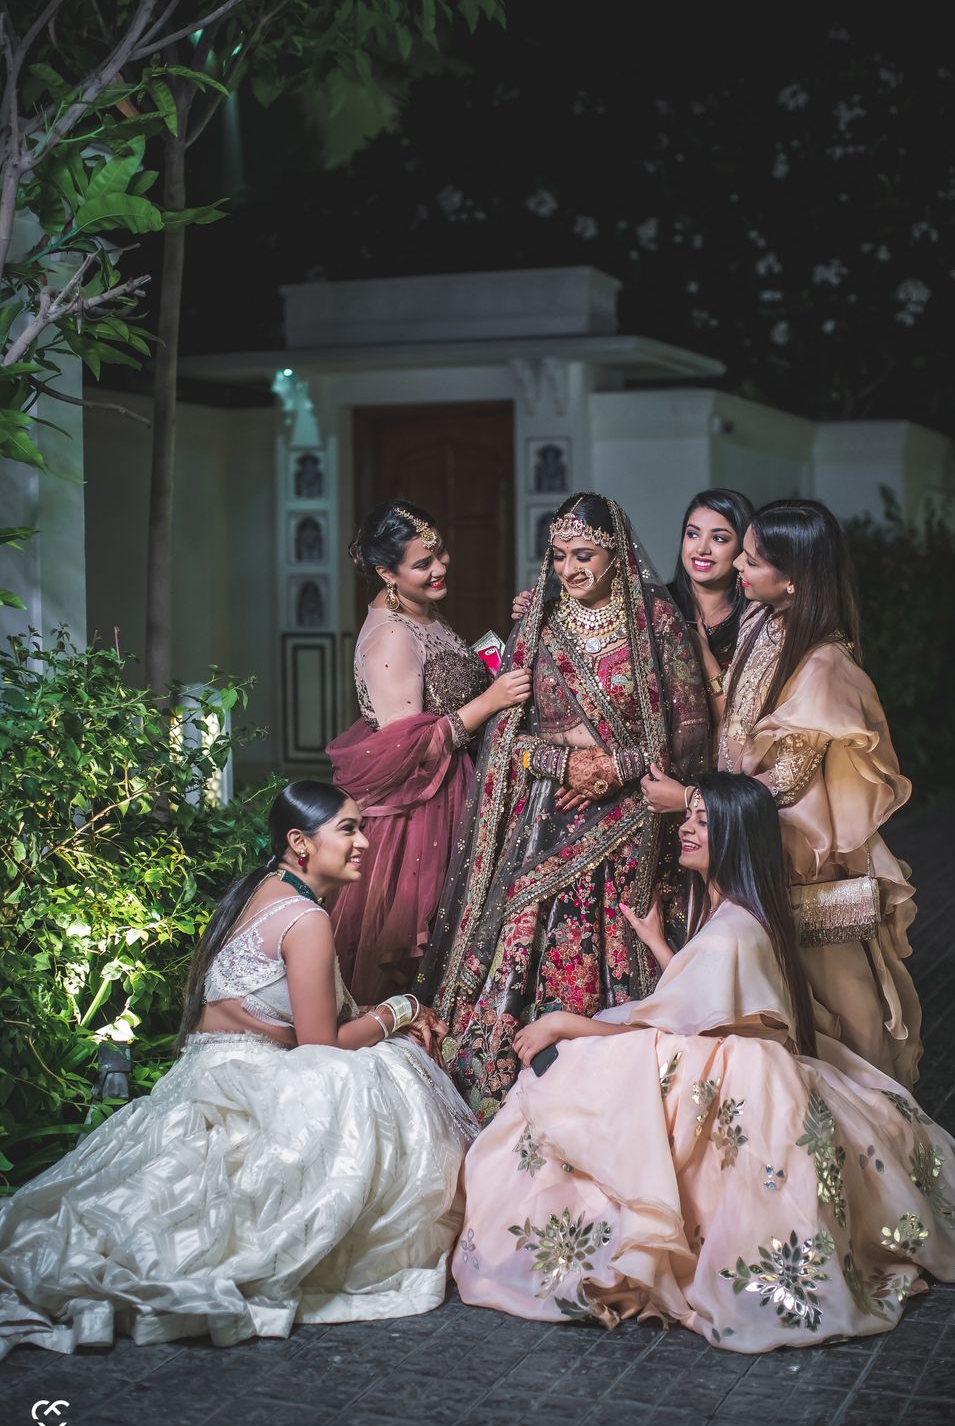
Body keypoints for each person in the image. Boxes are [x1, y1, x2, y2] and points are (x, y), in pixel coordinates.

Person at [453, 774, 955, 1352]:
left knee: (583, 1070)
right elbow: (701, 999)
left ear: (735, 835)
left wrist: (563, 1023)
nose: (686, 827)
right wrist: (660, 947)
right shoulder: (743, 913)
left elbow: (665, 1025)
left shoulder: (731, 929)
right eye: (690, 816)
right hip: (747, 1061)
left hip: (733, 1074)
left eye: (704, 821)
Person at [0, 782, 477, 1359]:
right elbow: (322, 1045)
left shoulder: (262, 892)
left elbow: (281, 1026)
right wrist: (401, 1009)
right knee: (386, 1071)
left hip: (207, 1073)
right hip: (249, 1078)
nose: (365, 843)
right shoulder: (305, 918)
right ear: (300, 843)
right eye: (348, 829)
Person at [421, 492, 709, 1122]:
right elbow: (509, 738)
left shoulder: (654, 621)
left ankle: (622, 1100)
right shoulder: (538, 625)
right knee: (528, 913)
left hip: (638, 813)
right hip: (552, 812)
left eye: (584, 555)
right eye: (558, 557)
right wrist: (567, 763)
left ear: (616, 555)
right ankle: (518, 1102)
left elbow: (689, 730)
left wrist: (618, 768)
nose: (569, 569)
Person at [641, 499, 922, 1087]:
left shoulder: (824, 662)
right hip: (761, 853)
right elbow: (740, 725)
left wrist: (690, 800)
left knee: (837, 1016)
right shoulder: (766, 623)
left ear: (792, 576)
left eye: (751, 558)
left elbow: (786, 781)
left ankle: (868, 1137)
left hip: (803, 863)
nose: (737, 566)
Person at [326, 504, 531, 1008]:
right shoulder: (391, 634)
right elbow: (405, 752)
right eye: (422, 563)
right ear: (385, 573)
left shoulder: (422, 610)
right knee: (416, 957)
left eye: (439, 552)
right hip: (418, 814)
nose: (439, 568)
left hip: (455, 789)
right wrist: (491, 700)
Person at [668, 487, 755, 679]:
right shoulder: (657, 606)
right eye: (692, 534)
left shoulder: (755, 619)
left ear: (743, 548)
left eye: (718, 538)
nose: (701, 548)